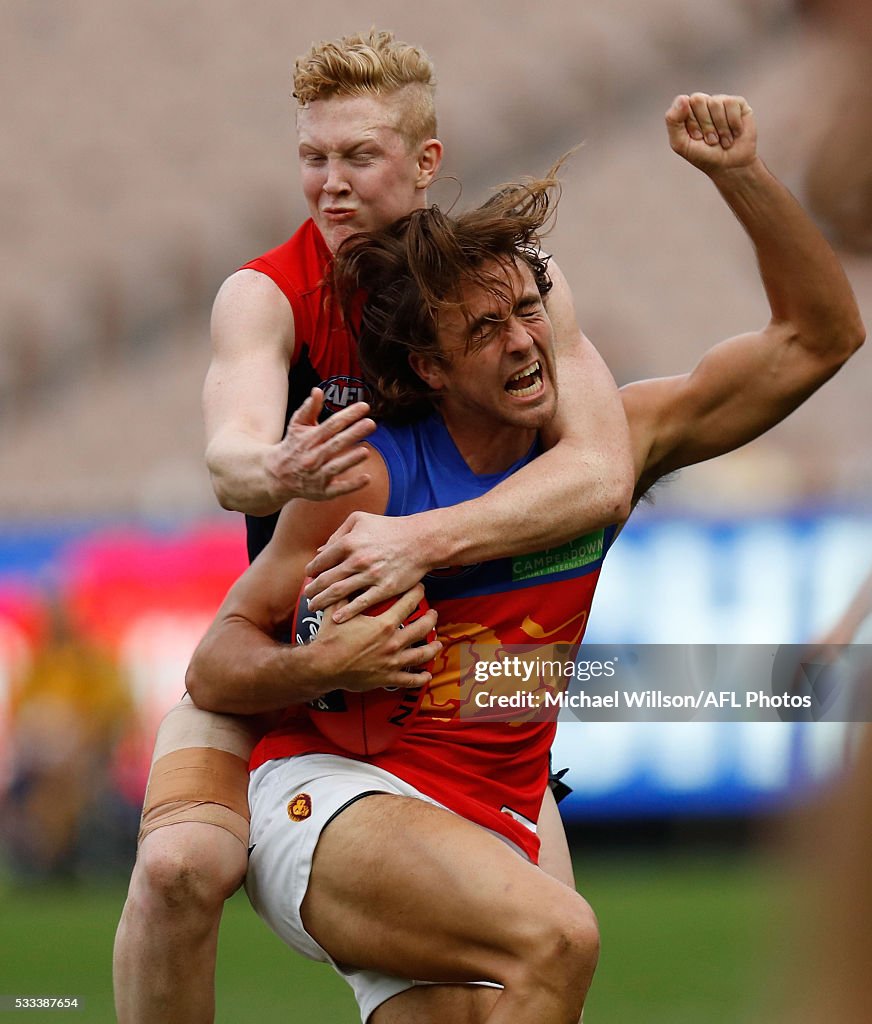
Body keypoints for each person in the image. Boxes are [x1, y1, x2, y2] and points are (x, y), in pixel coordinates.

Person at [184, 92, 863, 1022]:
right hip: (337, 800)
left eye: (530, 313)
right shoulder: (368, 478)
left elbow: (819, 338)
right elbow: (215, 662)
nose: (525, 345)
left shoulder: (614, 443)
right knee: (560, 936)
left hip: (491, 817)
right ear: (429, 369)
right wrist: (320, 665)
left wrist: (740, 175)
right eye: (485, 332)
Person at [113, 29, 634, 1024]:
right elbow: (229, 446)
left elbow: (599, 469)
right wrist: (266, 465)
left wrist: (417, 543)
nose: (329, 184)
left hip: (437, 695)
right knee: (183, 863)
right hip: (287, 656)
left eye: (358, 156)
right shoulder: (267, 293)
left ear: (425, 163)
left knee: (539, 954)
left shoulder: (507, 287)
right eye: (312, 157)